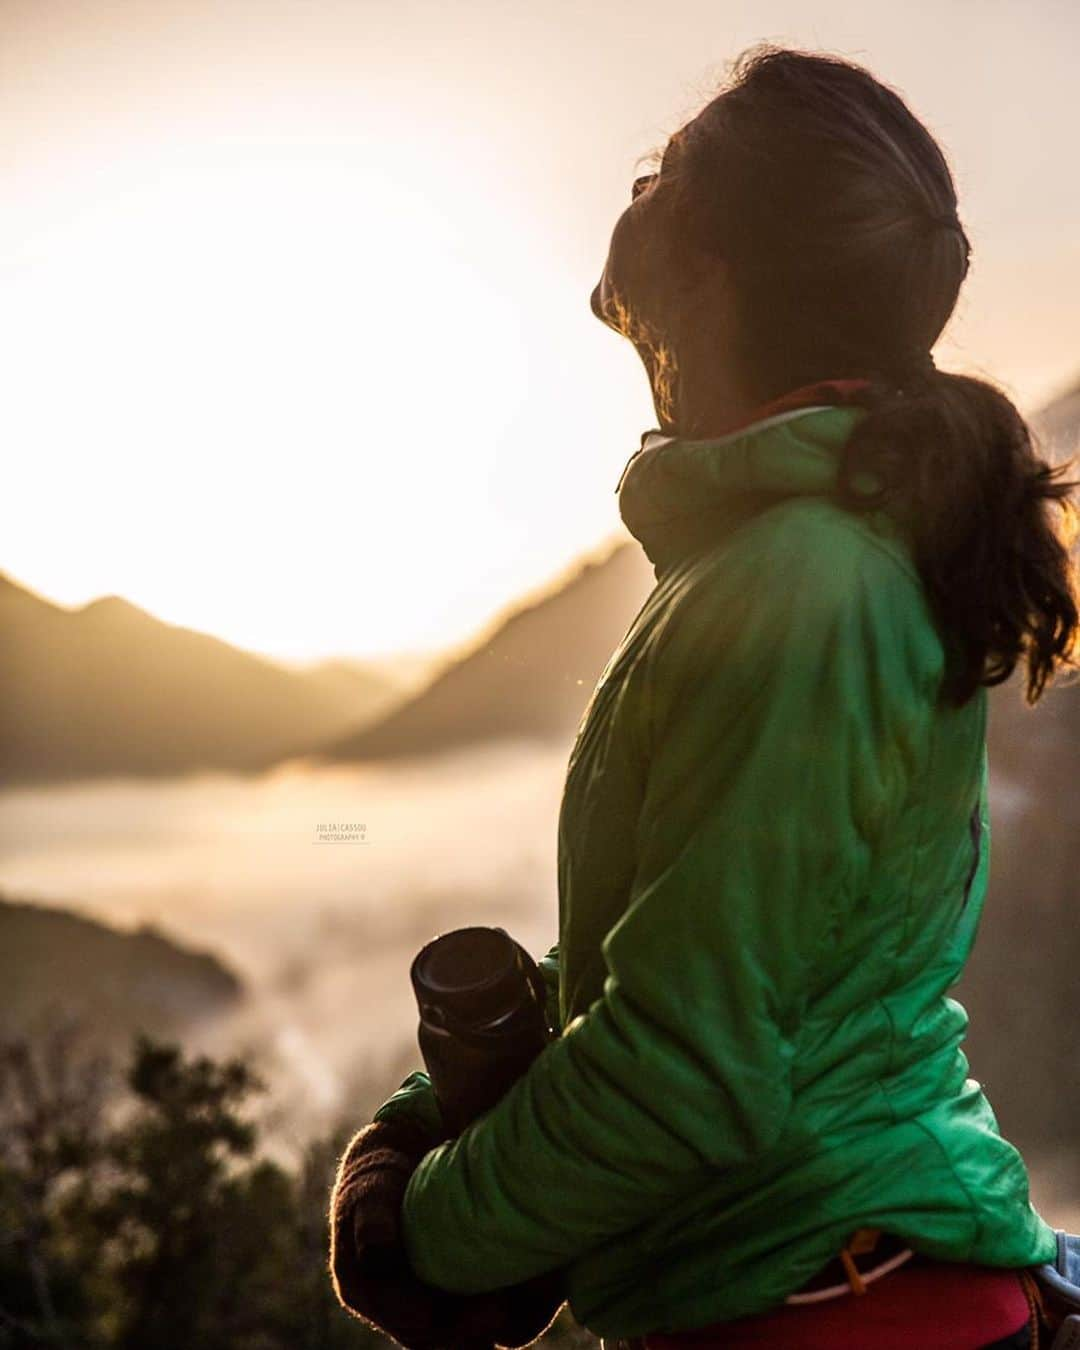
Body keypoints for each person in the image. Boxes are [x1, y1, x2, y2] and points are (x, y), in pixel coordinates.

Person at [330, 46, 1079, 1350]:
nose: (629, 190)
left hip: (832, 1311)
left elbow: (690, 1064)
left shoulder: (805, 585)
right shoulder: (786, 554)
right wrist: (431, 1118)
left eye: (662, 172)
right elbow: (696, 939)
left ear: (709, 265)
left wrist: (431, 1231)